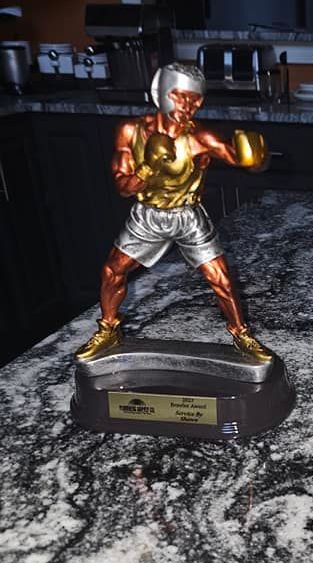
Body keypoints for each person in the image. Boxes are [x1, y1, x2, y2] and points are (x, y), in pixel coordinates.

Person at [75, 62, 272, 363]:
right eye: (181, 96)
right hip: (148, 215)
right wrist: (149, 166)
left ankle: (241, 334)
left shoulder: (200, 138)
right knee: (111, 271)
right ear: (163, 94)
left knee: (221, 278)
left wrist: (255, 158)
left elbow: (235, 157)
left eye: (195, 99)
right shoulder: (132, 131)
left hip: (188, 215)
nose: (188, 105)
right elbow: (124, 188)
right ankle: (108, 329)